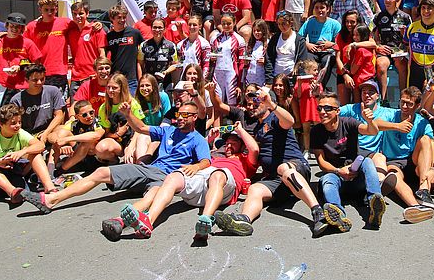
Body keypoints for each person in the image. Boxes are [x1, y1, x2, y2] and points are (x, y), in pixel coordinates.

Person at [21, 100, 211, 232]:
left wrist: (195, 167)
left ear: (195, 117)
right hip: (148, 168)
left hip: (167, 177)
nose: (181, 117)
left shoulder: (197, 139)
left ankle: (121, 221)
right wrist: (128, 114)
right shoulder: (168, 130)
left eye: (186, 115)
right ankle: (51, 200)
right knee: (101, 171)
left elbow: (206, 161)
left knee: (152, 196)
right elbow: (141, 128)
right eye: (179, 114)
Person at [211, 86, 330, 238]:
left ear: (267, 102)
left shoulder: (275, 118)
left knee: (283, 169)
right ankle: (244, 220)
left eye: (256, 102)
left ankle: (318, 212)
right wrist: (219, 130)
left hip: (295, 168)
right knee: (255, 189)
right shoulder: (259, 126)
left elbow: (290, 121)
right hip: (276, 179)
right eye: (249, 104)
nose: (251, 106)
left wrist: (272, 105)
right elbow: (243, 138)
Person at [120, 120, 259, 241]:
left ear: (242, 146)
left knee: (217, 175)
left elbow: (254, 149)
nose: (228, 146)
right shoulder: (215, 155)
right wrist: (209, 140)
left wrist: (240, 130)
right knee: (173, 177)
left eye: (233, 143)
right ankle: (149, 220)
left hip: (224, 185)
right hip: (202, 182)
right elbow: (197, 149)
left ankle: (206, 220)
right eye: (227, 143)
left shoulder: (245, 160)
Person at [312, 91, 384, 231]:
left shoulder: (348, 123)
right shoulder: (316, 131)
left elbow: (371, 131)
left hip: (356, 177)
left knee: (368, 162)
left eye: (327, 108)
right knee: (327, 180)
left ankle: (375, 203)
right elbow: (321, 162)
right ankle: (339, 216)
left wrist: (369, 121)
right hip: (337, 179)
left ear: (338, 111)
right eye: (319, 108)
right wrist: (339, 171)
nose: (322, 112)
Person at [372, 87, 434, 218]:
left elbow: (433, 146)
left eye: (409, 104)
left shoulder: (422, 122)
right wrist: (397, 126)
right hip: (394, 161)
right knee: (393, 176)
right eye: (402, 102)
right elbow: (375, 124)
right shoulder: (391, 114)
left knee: (426, 139)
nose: (404, 106)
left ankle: (423, 189)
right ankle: (416, 207)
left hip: (414, 160)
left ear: (417, 105)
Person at [0, 104, 55, 203]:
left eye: (19, 122)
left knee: (34, 152)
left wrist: (21, 152)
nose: (17, 126)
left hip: (13, 170)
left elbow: (40, 145)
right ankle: (13, 192)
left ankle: (50, 188)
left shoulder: (20, 133)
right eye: (13, 123)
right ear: (1, 124)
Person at [0, 12, 42, 106]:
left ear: (22, 28)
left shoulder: (28, 43)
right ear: (7, 25)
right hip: (5, 87)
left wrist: (20, 67)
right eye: (12, 26)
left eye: (18, 27)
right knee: (4, 117)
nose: (14, 29)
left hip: (25, 87)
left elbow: (37, 65)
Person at [23, 0, 77, 95]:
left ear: (56, 9)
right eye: (46, 10)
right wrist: (4, 34)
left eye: (52, 9)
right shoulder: (32, 27)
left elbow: (82, 27)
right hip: (39, 72)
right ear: (40, 10)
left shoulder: (65, 23)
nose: (49, 12)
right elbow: (22, 44)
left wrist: (96, 24)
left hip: (59, 72)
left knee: (60, 105)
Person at [373, 0, 411, 101]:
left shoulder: (405, 17)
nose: (387, 1)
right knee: (380, 65)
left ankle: (403, 98)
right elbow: (370, 36)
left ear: (397, 0)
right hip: (384, 50)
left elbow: (411, 38)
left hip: (400, 51)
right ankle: (383, 100)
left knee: (401, 63)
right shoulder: (378, 17)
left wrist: (405, 35)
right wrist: (378, 46)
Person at [95, 73, 142, 163]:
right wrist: (118, 134)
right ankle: (114, 160)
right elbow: (107, 134)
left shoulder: (132, 104)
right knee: (101, 149)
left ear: (122, 89)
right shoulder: (104, 107)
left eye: (114, 88)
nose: (110, 90)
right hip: (117, 142)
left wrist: (130, 147)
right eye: (108, 87)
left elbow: (139, 130)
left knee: (131, 161)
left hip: (132, 140)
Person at [10, 63, 66, 139]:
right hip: (28, 135)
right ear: (27, 80)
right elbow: (14, 123)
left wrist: (46, 133)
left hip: (49, 130)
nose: (39, 82)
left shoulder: (53, 91)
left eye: (42, 79)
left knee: (63, 132)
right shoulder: (16, 99)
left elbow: (59, 115)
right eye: (35, 80)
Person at [50, 100, 105, 176]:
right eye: (85, 115)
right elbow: (51, 136)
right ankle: (49, 170)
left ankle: (60, 171)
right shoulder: (73, 124)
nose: (89, 116)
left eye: (91, 112)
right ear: (77, 117)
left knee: (87, 141)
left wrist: (68, 140)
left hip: (95, 158)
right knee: (62, 132)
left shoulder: (97, 122)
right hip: (78, 156)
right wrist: (59, 143)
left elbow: (97, 135)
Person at [298, 0, 341, 86]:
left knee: (326, 61)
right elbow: (299, 38)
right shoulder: (309, 22)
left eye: (322, 8)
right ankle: (308, 85)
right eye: (316, 8)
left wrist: (331, 44)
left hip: (328, 52)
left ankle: (321, 86)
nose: (319, 10)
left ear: (328, 9)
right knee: (308, 61)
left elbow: (341, 43)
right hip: (313, 50)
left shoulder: (335, 24)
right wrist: (308, 44)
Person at [67, 2, 106, 100]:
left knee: (91, 108)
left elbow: (102, 54)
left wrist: (99, 72)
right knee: (75, 108)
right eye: (74, 14)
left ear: (87, 14)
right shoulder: (71, 32)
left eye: (81, 13)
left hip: (91, 76)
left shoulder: (96, 30)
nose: (77, 16)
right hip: (75, 78)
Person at [105, 5, 144, 93]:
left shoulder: (134, 33)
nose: (122, 20)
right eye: (119, 17)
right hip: (115, 79)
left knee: (132, 105)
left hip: (131, 80)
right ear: (112, 18)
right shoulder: (108, 36)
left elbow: (143, 51)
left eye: (124, 17)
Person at [210, 13, 246, 105]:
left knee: (233, 104)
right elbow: (211, 57)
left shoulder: (240, 39)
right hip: (217, 74)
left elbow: (242, 62)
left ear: (234, 23)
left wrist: (239, 84)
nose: (226, 26)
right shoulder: (215, 38)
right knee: (217, 103)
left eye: (229, 23)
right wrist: (212, 58)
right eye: (223, 23)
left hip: (232, 75)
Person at [265, 10, 311, 82]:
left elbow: (302, 61)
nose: (281, 26)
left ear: (291, 23)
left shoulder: (299, 40)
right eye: (279, 24)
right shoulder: (275, 38)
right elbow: (269, 59)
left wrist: (296, 76)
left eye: (283, 24)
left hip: (291, 79)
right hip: (275, 78)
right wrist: (269, 79)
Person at [137, 18, 180, 87]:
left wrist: (166, 72)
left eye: (160, 27)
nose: (157, 30)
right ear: (151, 29)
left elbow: (175, 64)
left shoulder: (171, 45)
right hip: (149, 82)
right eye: (155, 27)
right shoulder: (144, 45)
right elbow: (139, 64)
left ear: (164, 29)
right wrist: (140, 81)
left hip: (165, 82)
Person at [334, 10, 365, 105]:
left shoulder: (363, 33)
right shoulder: (340, 35)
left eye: (352, 22)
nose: (349, 24)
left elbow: (373, 44)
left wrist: (353, 44)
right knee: (344, 106)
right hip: (344, 72)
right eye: (347, 21)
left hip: (359, 73)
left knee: (358, 105)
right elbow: (338, 58)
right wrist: (345, 75)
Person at [292, 59, 322, 157]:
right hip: (305, 108)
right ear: (307, 71)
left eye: (317, 70)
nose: (316, 72)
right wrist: (300, 84)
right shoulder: (301, 81)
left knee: (318, 129)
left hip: (316, 109)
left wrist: (315, 86)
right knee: (306, 131)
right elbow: (299, 95)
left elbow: (320, 94)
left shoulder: (317, 81)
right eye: (314, 70)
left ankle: (319, 148)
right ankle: (307, 149)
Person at [176, 15, 211, 79]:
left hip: (197, 79)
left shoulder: (204, 44)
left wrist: (202, 79)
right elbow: (179, 63)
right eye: (190, 24)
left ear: (200, 26)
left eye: (194, 25)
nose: (192, 27)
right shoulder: (180, 45)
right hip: (183, 79)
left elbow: (206, 64)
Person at [243, 19, 269, 87]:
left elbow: (271, 60)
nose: (256, 33)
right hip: (250, 76)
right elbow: (246, 61)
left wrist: (265, 61)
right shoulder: (251, 44)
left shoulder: (267, 43)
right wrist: (246, 60)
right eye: (254, 31)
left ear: (263, 30)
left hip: (261, 76)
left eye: (258, 30)